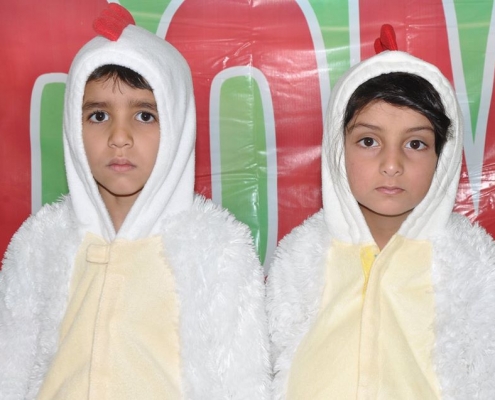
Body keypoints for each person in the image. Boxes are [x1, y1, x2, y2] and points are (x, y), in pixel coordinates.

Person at [0, 4, 269, 399]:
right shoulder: (40, 242)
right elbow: (10, 369)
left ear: (177, 123)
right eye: (98, 116)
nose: (119, 137)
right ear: (73, 126)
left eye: (144, 116)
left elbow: (243, 383)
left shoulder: (216, 248)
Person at [266, 26, 495, 399]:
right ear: (338, 149)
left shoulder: (473, 263)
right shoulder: (302, 256)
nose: (392, 164)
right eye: (369, 141)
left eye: (416, 144)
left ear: (443, 156)